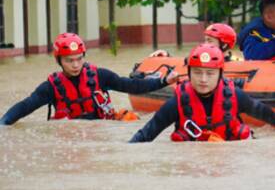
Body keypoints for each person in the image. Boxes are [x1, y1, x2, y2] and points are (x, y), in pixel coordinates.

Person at [129, 44, 275, 142]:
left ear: (220, 74)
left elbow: (262, 112)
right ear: (189, 73)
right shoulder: (177, 103)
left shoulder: (235, 96)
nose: (203, 79)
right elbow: (146, 134)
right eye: (197, 73)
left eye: (210, 73)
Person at [0, 33, 178, 126]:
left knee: (129, 119)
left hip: (101, 127)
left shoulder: (100, 76)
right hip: (71, 135)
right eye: (70, 61)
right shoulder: (50, 87)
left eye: (79, 59)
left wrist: (164, 81)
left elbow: (131, 85)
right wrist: (4, 123)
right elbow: (25, 107)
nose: (76, 65)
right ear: (59, 61)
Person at [150, 22, 237, 60]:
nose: (205, 44)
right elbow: (182, 64)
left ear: (224, 45)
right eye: (205, 40)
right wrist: (167, 56)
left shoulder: (236, 63)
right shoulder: (200, 59)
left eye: (209, 41)